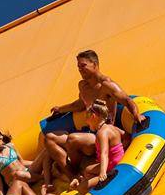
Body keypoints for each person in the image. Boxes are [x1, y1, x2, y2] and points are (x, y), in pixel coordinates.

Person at [44, 49, 145, 177]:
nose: (80, 69)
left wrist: (136, 115)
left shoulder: (107, 85)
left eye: (83, 65)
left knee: (72, 139)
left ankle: (77, 170)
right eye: (78, 67)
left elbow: (127, 100)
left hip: (103, 133)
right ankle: (73, 175)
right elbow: (80, 104)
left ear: (95, 65)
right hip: (90, 131)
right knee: (50, 139)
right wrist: (61, 109)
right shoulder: (82, 86)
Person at [0, 126, 50, 195]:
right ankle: (42, 177)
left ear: (0, 135)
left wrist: (37, 163)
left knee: (45, 152)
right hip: (17, 181)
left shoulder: (10, 146)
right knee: (18, 174)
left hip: (28, 173)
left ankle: (48, 183)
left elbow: (22, 162)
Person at [71, 100, 126, 192]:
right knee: (88, 169)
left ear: (93, 116)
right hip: (116, 160)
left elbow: (104, 153)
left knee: (81, 189)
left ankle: (98, 187)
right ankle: (92, 182)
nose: (86, 122)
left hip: (112, 166)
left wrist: (102, 172)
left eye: (86, 118)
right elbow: (125, 135)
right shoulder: (111, 127)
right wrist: (122, 148)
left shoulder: (101, 133)